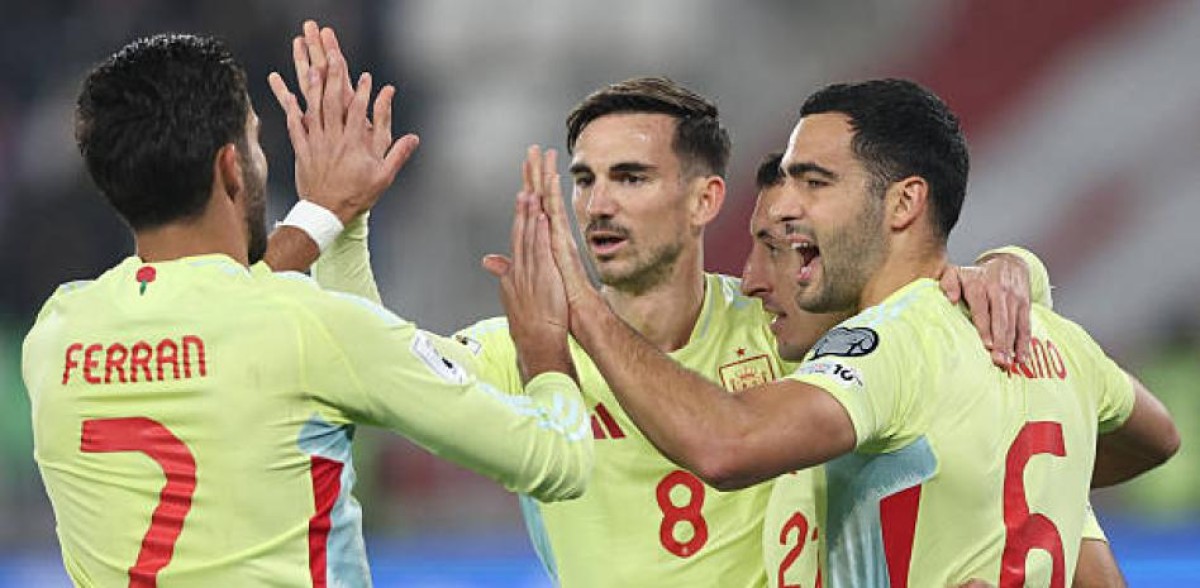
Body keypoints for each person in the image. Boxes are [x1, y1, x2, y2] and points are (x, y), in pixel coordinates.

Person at [518, 78, 1179, 586]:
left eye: (816, 182)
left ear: (903, 202)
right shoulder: (1051, 339)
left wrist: (582, 304)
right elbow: (1159, 439)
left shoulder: (888, 345)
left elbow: (726, 445)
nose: (792, 204)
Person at [22, 32, 591, 586]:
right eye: (255, 139)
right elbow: (557, 458)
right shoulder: (305, 328)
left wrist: (330, 217)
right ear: (230, 167)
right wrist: (544, 351)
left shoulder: (55, 336)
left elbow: (218, 306)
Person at [746, 152, 1128, 588]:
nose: (753, 280)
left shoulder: (955, 392)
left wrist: (1016, 266)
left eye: (784, 249)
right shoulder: (776, 370)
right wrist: (1014, 261)